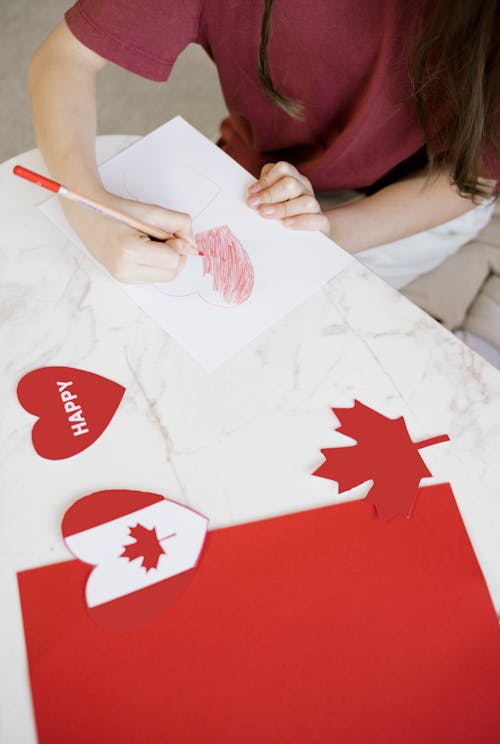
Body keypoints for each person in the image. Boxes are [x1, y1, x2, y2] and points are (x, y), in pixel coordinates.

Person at [29, 0, 499, 286]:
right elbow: (65, 58)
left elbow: (472, 179)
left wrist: (330, 233)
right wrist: (86, 203)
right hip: (258, 179)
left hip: (418, 198)